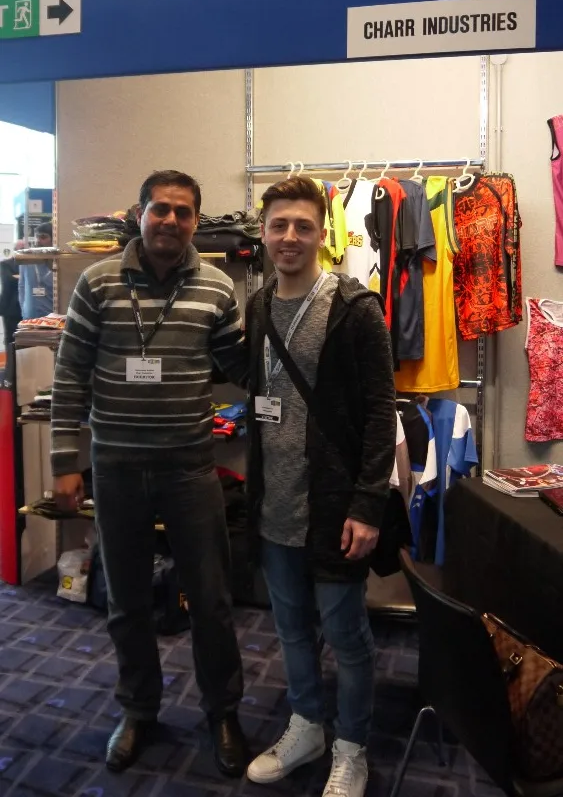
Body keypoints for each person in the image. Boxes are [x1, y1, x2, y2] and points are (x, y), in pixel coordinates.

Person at [51, 170, 249, 776]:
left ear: (195, 221)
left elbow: (242, 366)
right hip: (116, 466)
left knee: (211, 601)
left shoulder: (217, 287)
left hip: (190, 468)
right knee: (127, 600)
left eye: (183, 212)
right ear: (139, 214)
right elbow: (70, 371)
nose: (170, 221)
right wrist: (65, 461)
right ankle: (138, 710)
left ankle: (223, 712)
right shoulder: (98, 281)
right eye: (160, 209)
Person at [244, 175, 396, 797]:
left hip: (334, 507)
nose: (290, 236)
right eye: (279, 225)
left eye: (303, 226)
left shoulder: (356, 309)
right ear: (263, 233)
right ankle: (306, 725)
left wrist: (369, 504)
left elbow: (381, 411)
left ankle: (351, 748)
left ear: (322, 233)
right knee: (289, 628)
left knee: (346, 636)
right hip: (274, 504)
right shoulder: (258, 307)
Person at [18, 222, 53, 320]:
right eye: (36, 237)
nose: (38, 240)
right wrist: (24, 310)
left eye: (43, 237)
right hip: (30, 315)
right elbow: (21, 286)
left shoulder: (59, 261)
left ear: (53, 239)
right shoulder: (27, 260)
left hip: (52, 316)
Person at [0, 243, 23, 348]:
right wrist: (22, 278)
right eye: (20, 249)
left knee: (24, 339)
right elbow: (8, 280)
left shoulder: (30, 265)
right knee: (10, 338)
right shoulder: (6, 264)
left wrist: (18, 277)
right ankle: (10, 359)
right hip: (9, 308)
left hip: (23, 307)